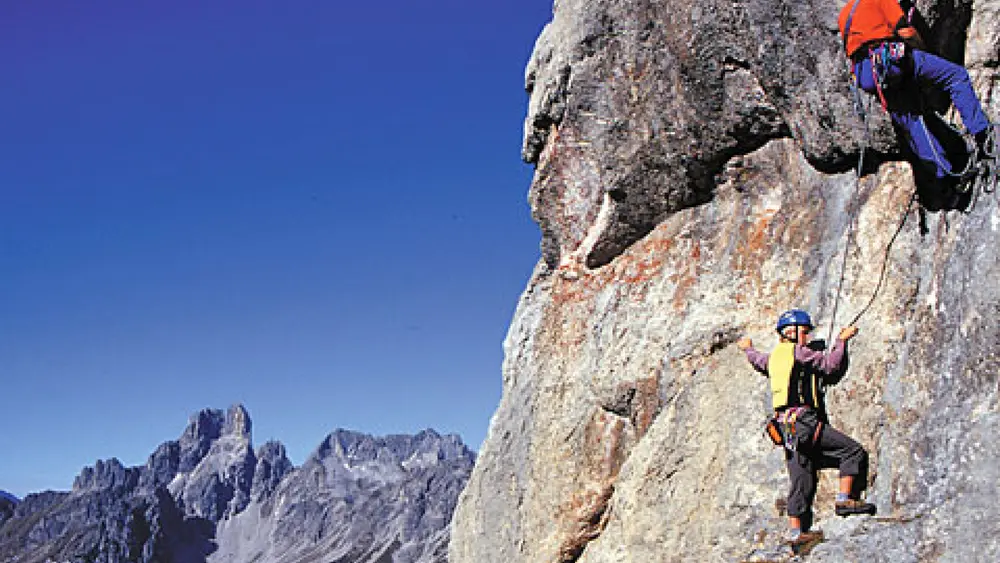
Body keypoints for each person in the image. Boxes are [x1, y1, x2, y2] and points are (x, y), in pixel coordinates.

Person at [737, 309, 876, 547]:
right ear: (795, 332)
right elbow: (831, 367)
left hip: (785, 429)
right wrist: (842, 340)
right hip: (804, 422)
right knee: (852, 451)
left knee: (802, 477)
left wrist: (748, 348)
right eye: (806, 332)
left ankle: (796, 533)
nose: (808, 338)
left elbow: (756, 360)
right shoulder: (799, 352)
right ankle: (845, 499)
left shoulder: (773, 357)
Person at [838, 0, 991, 180]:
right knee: (955, 76)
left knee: (911, 120)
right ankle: (981, 133)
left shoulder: (845, 14)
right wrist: (923, 51)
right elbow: (906, 31)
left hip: (866, 74)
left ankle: (944, 178)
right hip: (889, 61)